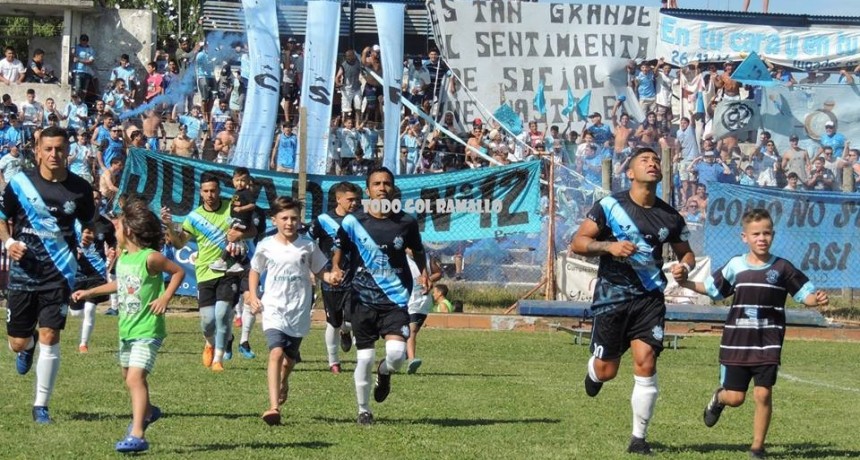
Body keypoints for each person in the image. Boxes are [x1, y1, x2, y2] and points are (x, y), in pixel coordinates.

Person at [570, 147, 695, 455]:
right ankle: (594, 372)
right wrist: (609, 247)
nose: (652, 164)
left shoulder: (671, 216)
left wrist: (685, 267)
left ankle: (638, 438)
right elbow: (578, 243)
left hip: (649, 300)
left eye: (655, 160)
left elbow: (686, 252)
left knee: (646, 361)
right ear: (629, 172)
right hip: (612, 298)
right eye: (644, 160)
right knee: (608, 370)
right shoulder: (609, 206)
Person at [678, 208, 827, 460]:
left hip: (768, 342)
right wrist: (685, 283)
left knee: (763, 393)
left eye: (767, 233)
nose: (762, 238)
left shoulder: (782, 268)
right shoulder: (736, 265)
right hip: (737, 342)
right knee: (736, 398)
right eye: (756, 233)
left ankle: (757, 448)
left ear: (773, 235)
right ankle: (719, 398)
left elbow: (804, 293)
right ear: (744, 237)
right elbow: (714, 289)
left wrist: (816, 299)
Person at [72, 197, 185, 453]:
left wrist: (165, 297)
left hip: (148, 330)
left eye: (118, 229)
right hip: (127, 329)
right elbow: (120, 284)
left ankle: (138, 435)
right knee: (128, 377)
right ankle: (149, 411)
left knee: (135, 378)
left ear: (129, 232)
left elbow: (178, 272)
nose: (115, 233)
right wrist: (89, 293)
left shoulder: (151, 258)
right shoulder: (123, 259)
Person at [0, 125, 96, 424]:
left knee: (51, 335)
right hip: (24, 272)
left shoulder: (80, 189)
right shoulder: (19, 183)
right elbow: (2, 219)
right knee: (18, 342)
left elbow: (89, 222)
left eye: (60, 149)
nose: (54, 154)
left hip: (60, 272)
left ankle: (41, 405)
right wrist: (9, 241)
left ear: (69, 151)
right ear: (37, 151)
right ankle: (25, 347)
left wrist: (89, 235)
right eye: (49, 149)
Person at [331, 167, 429, 425]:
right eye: (377, 183)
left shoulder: (406, 222)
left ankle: (384, 374)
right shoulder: (354, 221)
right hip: (361, 300)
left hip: (395, 299)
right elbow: (339, 248)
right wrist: (335, 268)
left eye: (386, 183)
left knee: (396, 355)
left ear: (393, 188)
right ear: (368, 189)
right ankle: (364, 410)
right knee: (364, 357)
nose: (382, 188)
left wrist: (424, 273)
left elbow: (418, 251)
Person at [247, 196, 337, 425]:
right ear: (274, 219)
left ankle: (284, 381)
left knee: (288, 361)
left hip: (298, 310)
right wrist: (254, 295)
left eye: (294, 218)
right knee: (276, 353)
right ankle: (273, 406)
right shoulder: (266, 245)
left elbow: (319, 271)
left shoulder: (307, 245)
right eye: (284, 218)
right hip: (274, 308)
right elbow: (255, 270)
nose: (289, 222)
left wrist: (330, 277)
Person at [162, 172, 255, 372]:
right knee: (207, 322)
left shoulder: (232, 208)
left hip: (228, 269)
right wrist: (170, 226)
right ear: (201, 193)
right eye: (206, 191)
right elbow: (179, 244)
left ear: (220, 191)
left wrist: (241, 233)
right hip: (204, 272)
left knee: (222, 315)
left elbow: (254, 231)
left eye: (213, 190)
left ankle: (218, 360)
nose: (210, 194)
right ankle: (209, 343)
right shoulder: (194, 217)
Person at [308, 182, 362, 374]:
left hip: (356, 277)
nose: (354, 203)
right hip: (331, 278)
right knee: (334, 321)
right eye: (350, 200)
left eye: (357, 200)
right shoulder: (323, 220)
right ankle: (334, 362)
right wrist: (311, 269)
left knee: (354, 318)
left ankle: (348, 334)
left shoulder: (362, 219)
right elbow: (308, 241)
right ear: (338, 199)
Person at [69, 214, 117, 352]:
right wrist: (73, 251)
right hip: (77, 272)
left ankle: (83, 344)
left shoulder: (106, 224)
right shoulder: (73, 220)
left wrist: (111, 253)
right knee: (76, 313)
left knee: (90, 309)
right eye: (92, 198)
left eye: (98, 198)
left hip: (97, 273)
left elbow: (113, 242)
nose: (95, 201)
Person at [209, 168, 256, 273]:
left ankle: (223, 261)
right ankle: (237, 263)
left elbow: (252, 205)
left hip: (242, 221)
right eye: (237, 180)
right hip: (235, 220)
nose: (240, 183)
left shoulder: (246, 193)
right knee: (234, 243)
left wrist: (241, 209)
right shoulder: (237, 192)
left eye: (243, 180)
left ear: (248, 181)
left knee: (231, 240)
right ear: (233, 181)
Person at [404, 250, 443, 375]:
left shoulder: (426, 257)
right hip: (408, 299)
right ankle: (411, 359)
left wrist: (428, 279)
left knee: (412, 330)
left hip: (423, 301)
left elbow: (438, 273)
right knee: (412, 330)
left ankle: (406, 353)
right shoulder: (400, 258)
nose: (411, 250)